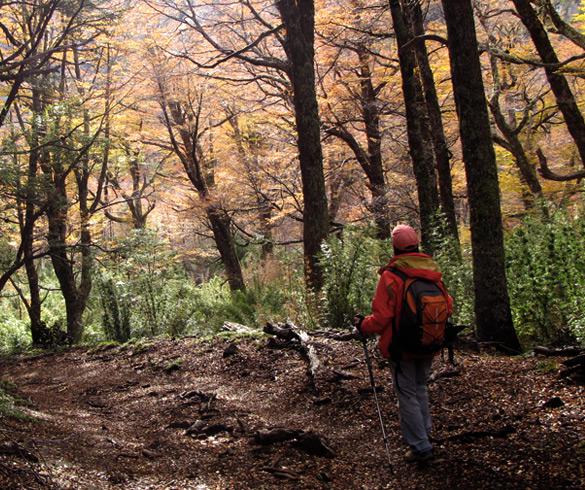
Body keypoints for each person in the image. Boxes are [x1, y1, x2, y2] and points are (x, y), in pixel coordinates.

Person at [354, 224, 453, 463]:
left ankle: (420, 447)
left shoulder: (392, 276)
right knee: (419, 388)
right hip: (428, 342)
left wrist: (362, 326)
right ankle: (424, 435)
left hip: (401, 346)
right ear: (416, 244)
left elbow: (381, 318)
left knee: (407, 393)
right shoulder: (432, 272)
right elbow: (447, 305)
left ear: (395, 247)